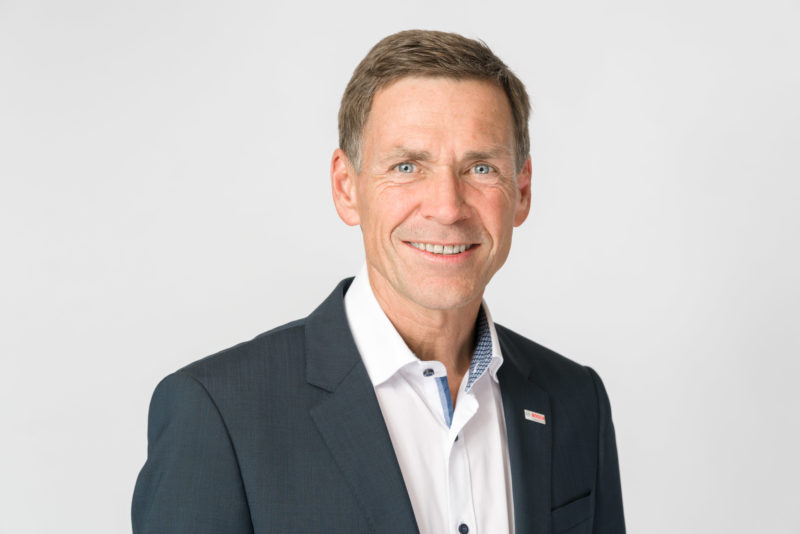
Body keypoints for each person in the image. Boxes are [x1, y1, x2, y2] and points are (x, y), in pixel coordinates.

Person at [132, 29, 625, 534]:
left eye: (480, 167)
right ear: (347, 188)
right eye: (407, 166)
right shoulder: (218, 414)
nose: (447, 208)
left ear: (520, 191)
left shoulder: (574, 399)